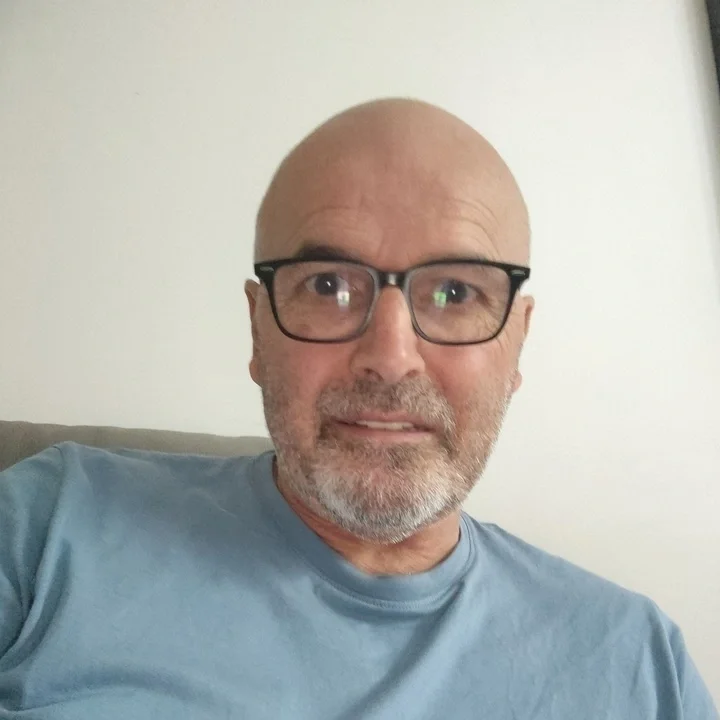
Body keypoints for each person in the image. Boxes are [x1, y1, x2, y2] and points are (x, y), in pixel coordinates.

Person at [0, 98, 717, 719]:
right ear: (257, 330)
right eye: (328, 286)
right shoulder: (50, 525)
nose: (391, 356)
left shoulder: (638, 662)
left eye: (456, 293)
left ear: (517, 342)